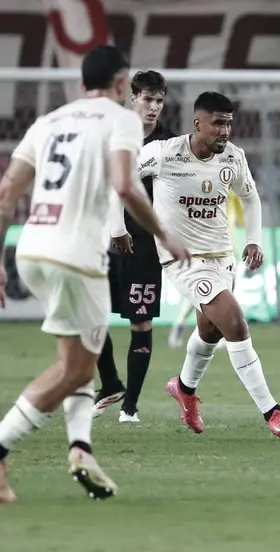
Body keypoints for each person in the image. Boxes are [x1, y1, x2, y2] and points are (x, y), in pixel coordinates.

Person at [0, 45, 189, 502]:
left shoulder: (48, 122)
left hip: (31, 249)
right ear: (122, 83)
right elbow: (125, 185)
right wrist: (164, 233)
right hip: (75, 254)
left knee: (78, 360)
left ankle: (81, 448)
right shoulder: (121, 120)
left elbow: (7, 189)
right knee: (72, 371)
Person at [117, 91, 280, 438]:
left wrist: (254, 239)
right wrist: (117, 226)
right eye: (217, 123)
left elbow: (250, 197)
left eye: (229, 123)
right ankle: (271, 411)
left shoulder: (234, 157)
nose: (225, 131)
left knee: (210, 330)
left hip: (222, 257)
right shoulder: (164, 153)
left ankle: (184, 388)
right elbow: (121, 182)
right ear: (197, 123)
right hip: (182, 259)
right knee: (235, 322)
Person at [93, 70, 176, 422]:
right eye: (148, 99)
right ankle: (111, 382)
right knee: (90, 316)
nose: (153, 107)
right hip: (102, 243)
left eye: (159, 100)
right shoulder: (114, 135)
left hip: (144, 248)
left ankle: (130, 406)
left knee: (140, 323)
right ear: (133, 99)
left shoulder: (171, 145)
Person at [166, 191, 246, 350]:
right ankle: (184, 325)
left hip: (225, 245)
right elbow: (242, 216)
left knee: (216, 290)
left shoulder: (229, 181)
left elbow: (241, 214)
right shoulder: (228, 179)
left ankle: (211, 330)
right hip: (212, 244)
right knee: (207, 290)